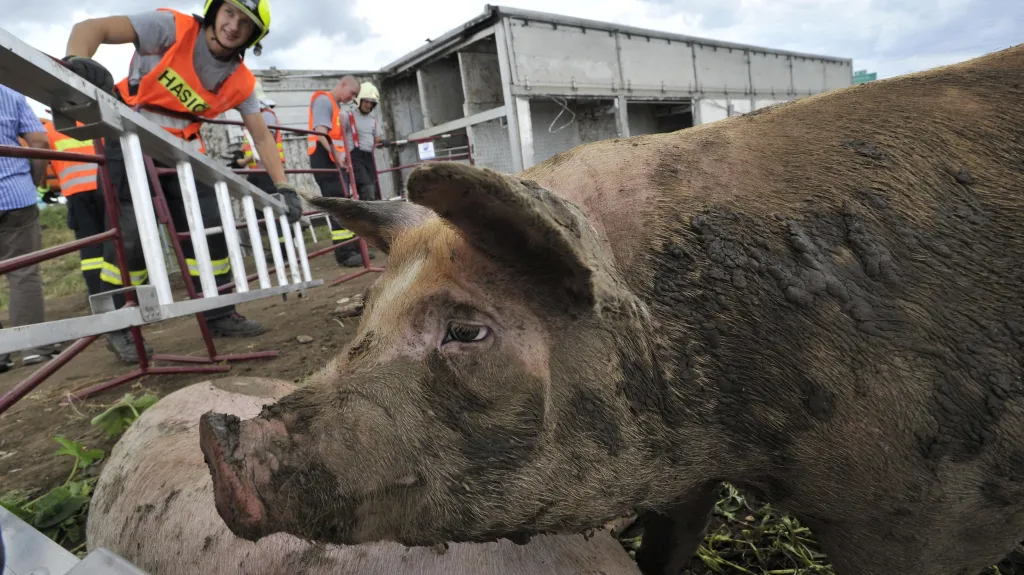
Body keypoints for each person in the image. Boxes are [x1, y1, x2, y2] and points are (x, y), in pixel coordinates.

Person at [62, 0, 304, 363]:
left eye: (246, 23)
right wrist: (78, 63)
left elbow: (263, 137)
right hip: (129, 135)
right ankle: (119, 325)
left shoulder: (241, 82)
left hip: (183, 151)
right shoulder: (170, 29)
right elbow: (89, 29)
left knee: (212, 229)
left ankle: (219, 312)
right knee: (132, 236)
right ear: (214, 10)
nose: (234, 25)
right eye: (230, 13)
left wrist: (285, 186)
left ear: (253, 37)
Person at [0, 84, 61, 372]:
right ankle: (34, 347)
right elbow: (40, 143)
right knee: (23, 272)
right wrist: (34, 181)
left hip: (17, 197)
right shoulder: (9, 94)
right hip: (15, 196)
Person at [39, 118, 106, 298]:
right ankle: (122, 292)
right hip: (106, 188)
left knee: (90, 248)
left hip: (76, 193)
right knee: (115, 242)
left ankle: (98, 295)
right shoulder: (94, 120)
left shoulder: (49, 129)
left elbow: (42, 161)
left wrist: (43, 189)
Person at [307, 76, 362, 267]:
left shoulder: (334, 105)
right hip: (325, 161)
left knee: (344, 203)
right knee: (338, 205)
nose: (351, 98)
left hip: (333, 162)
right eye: (352, 93)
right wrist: (336, 155)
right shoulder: (324, 101)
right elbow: (320, 130)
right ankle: (345, 253)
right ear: (343, 84)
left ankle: (352, 248)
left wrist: (341, 157)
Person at [342, 81, 387, 202]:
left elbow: (376, 138)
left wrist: (384, 141)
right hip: (354, 157)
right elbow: (338, 135)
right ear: (359, 100)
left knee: (374, 189)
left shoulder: (373, 120)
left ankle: (369, 217)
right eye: (366, 101)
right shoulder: (348, 115)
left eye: (371, 103)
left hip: (368, 157)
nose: (368, 105)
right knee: (367, 188)